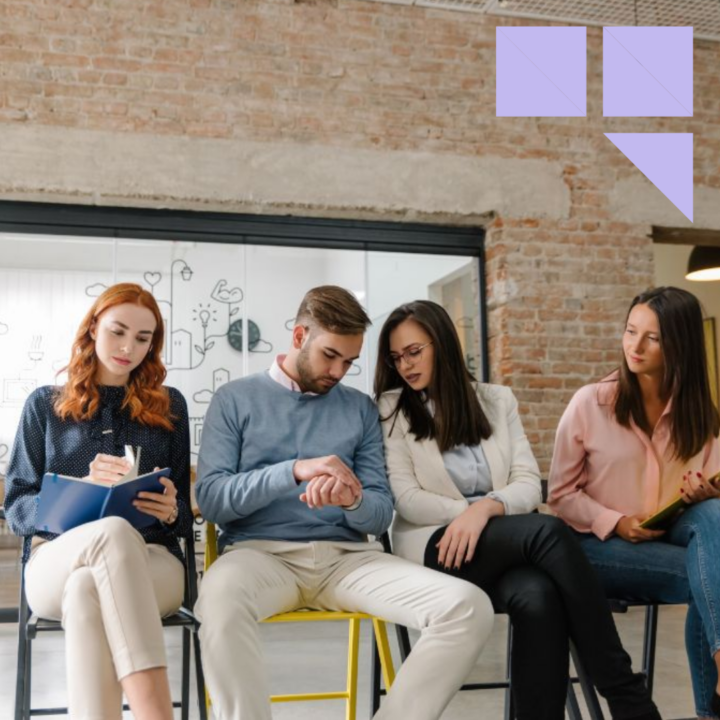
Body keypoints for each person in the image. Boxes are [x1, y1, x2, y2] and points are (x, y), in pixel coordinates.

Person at [194, 285, 494, 720]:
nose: (339, 371)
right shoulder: (234, 400)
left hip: (350, 560)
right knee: (218, 601)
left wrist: (353, 500)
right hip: (261, 556)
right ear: (299, 337)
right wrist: (293, 471)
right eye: (329, 355)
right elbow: (213, 500)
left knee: (468, 607)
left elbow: (380, 513)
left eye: (349, 361)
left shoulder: (359, 409)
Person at [375, 299, 661, 720]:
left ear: (443, 345)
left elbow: (528, 484)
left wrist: (486, 509)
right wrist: (467, 514)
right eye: (397, 357)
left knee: (538, 595)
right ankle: (622, 690)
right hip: (436, 547)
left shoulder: (496, 401)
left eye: (415, 352)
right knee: (547, 531)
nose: (405, 365)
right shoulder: (391, 408)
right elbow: (407, 498)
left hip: (500, 543)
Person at [5, 283, 192, 720]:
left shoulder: (171, 408)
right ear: (92, 328)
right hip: (57, 557)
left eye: (143, 339)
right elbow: (16, 506)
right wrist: (75, 491)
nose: (129, 347)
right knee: (108, 533)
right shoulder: (44, 406)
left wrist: (173, 510)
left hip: (152, 561)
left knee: (88, 588)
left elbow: (181, 516)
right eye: (117, 331)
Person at [549, 286, 720, 720]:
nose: (635, 346)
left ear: (679, 344)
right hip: (597, 547)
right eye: (630, 331)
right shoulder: (592, 403)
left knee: (714, 519)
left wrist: (708, 492)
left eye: (653, 337)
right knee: (713, 572)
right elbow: (560, 496)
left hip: (675, 532)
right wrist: (617, 521)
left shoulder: (700, 411)